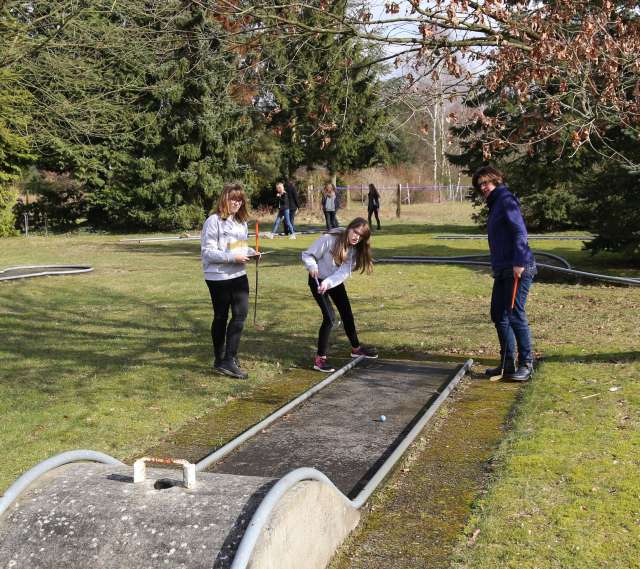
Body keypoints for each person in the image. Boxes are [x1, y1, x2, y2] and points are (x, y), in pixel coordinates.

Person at [472, 166, 537, 382]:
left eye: (485, 183)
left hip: (518, 267)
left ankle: (527, 364)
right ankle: (507, 362)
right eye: (479, 185)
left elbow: (520, 231)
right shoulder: (495, 204)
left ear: (496, 181)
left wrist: (519, 261)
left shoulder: (506, 200)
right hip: (502, 270)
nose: (483, 188)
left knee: (515, 314)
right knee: (498, 314)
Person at [301, 217, 378, 372]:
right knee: (329, 318)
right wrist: (312, 266)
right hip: (317, 279)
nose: (357, 237)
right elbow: (308, 254)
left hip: (332, 281)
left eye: (361, 235)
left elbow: (342, 273)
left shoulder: (355, 250)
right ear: (349, 228)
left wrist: (328, 283)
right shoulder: (329, 239)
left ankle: (356, 349)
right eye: (355, 232)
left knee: (347, 313)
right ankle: (319, 360)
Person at [201, 183, 256, 379]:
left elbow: (239, 247)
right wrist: (233, 258)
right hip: (218, 277)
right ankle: (220, 358)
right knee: (221, 317)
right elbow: (208, 252)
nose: (236, 203)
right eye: (233, 198)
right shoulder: (213, 221)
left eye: (240, 199)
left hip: (239, 275)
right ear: (225, 198)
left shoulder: (241, 223)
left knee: (240, 315)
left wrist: (251, 253)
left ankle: (229, 358)